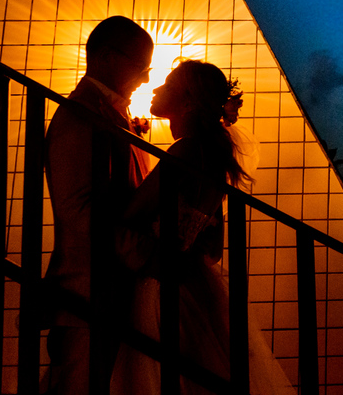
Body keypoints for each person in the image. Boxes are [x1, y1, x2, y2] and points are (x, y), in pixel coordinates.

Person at [110, 59, 295, 395]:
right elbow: (213, 247)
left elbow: (130, 215)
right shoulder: (211, 155)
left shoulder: (186, 150)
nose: (155, 88)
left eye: (167, 85)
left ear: (188, 102)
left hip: (161, 285)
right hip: (193, 285)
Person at [45, 15, 155, 394]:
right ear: (107, 56)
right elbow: (79, 210)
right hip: (89, 293)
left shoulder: (110, 112)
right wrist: (144, 252)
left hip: (111, 290)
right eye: (141, 67)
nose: (146, 79)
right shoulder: (80, 114)